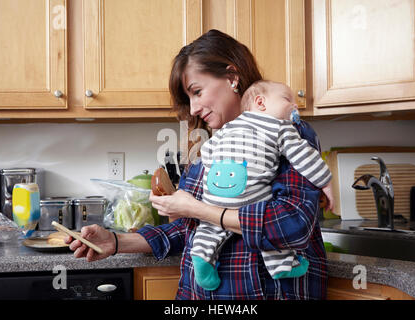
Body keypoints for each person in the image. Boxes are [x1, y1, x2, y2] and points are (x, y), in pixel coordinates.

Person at [66, 29, 330, 300]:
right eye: (188, 98)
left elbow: (292, 225)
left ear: (232, 77)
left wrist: (198, 208)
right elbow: (188, 227)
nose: (192, 109)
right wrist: (116, 242)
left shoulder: (287, 132)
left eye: (197, 92)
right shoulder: (212, 143)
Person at [191, 80, 333, 290]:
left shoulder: (227, 127)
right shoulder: (281, 126)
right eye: (288, 100)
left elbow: (208, 150)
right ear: (261, 102)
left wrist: (213, 174)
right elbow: (304, 157)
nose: (295, 106)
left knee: (210, 228)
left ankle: (202, 258)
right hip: (250, 198)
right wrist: (327, 182)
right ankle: (281, 266)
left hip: (214, 191)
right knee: (266, 227)